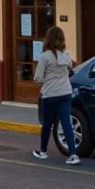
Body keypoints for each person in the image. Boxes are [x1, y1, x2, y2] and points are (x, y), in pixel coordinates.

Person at [33, 26, 80, 165]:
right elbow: (70, 68)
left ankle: (43, 151)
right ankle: (73, 154)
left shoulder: (44, 56)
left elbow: (38, 78)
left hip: (50, 94)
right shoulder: (66, 54)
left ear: (48, 39)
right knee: (66, 123)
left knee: (47, 123)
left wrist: (44, 82)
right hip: (66, 92)